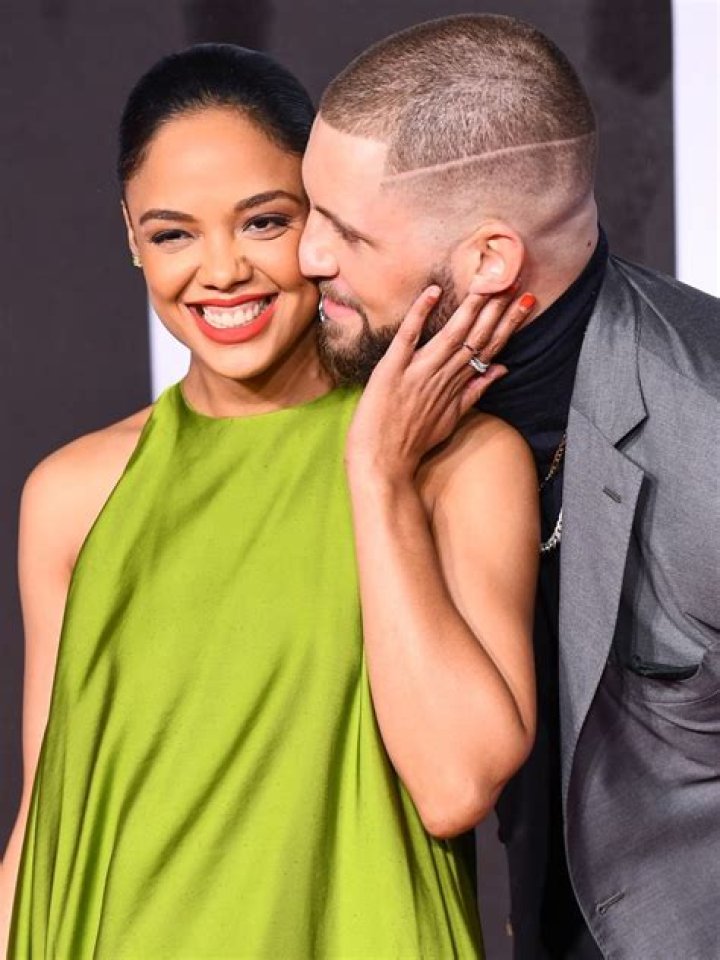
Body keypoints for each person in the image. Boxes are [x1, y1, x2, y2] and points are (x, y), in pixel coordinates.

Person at [0, 44, 540, 958]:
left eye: (263, 222)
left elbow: (456, 785)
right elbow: (47, 822)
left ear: (322, 222)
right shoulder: (73, 493)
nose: (221, 272)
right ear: (130, 237)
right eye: (173, 234)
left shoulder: (460, 462)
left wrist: (376, 476)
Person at [298, 13, 720, 960]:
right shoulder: (357, 394)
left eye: (345, 232)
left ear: (490, 259)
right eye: (308, 211)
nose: (307, 257)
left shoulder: (708, 429)